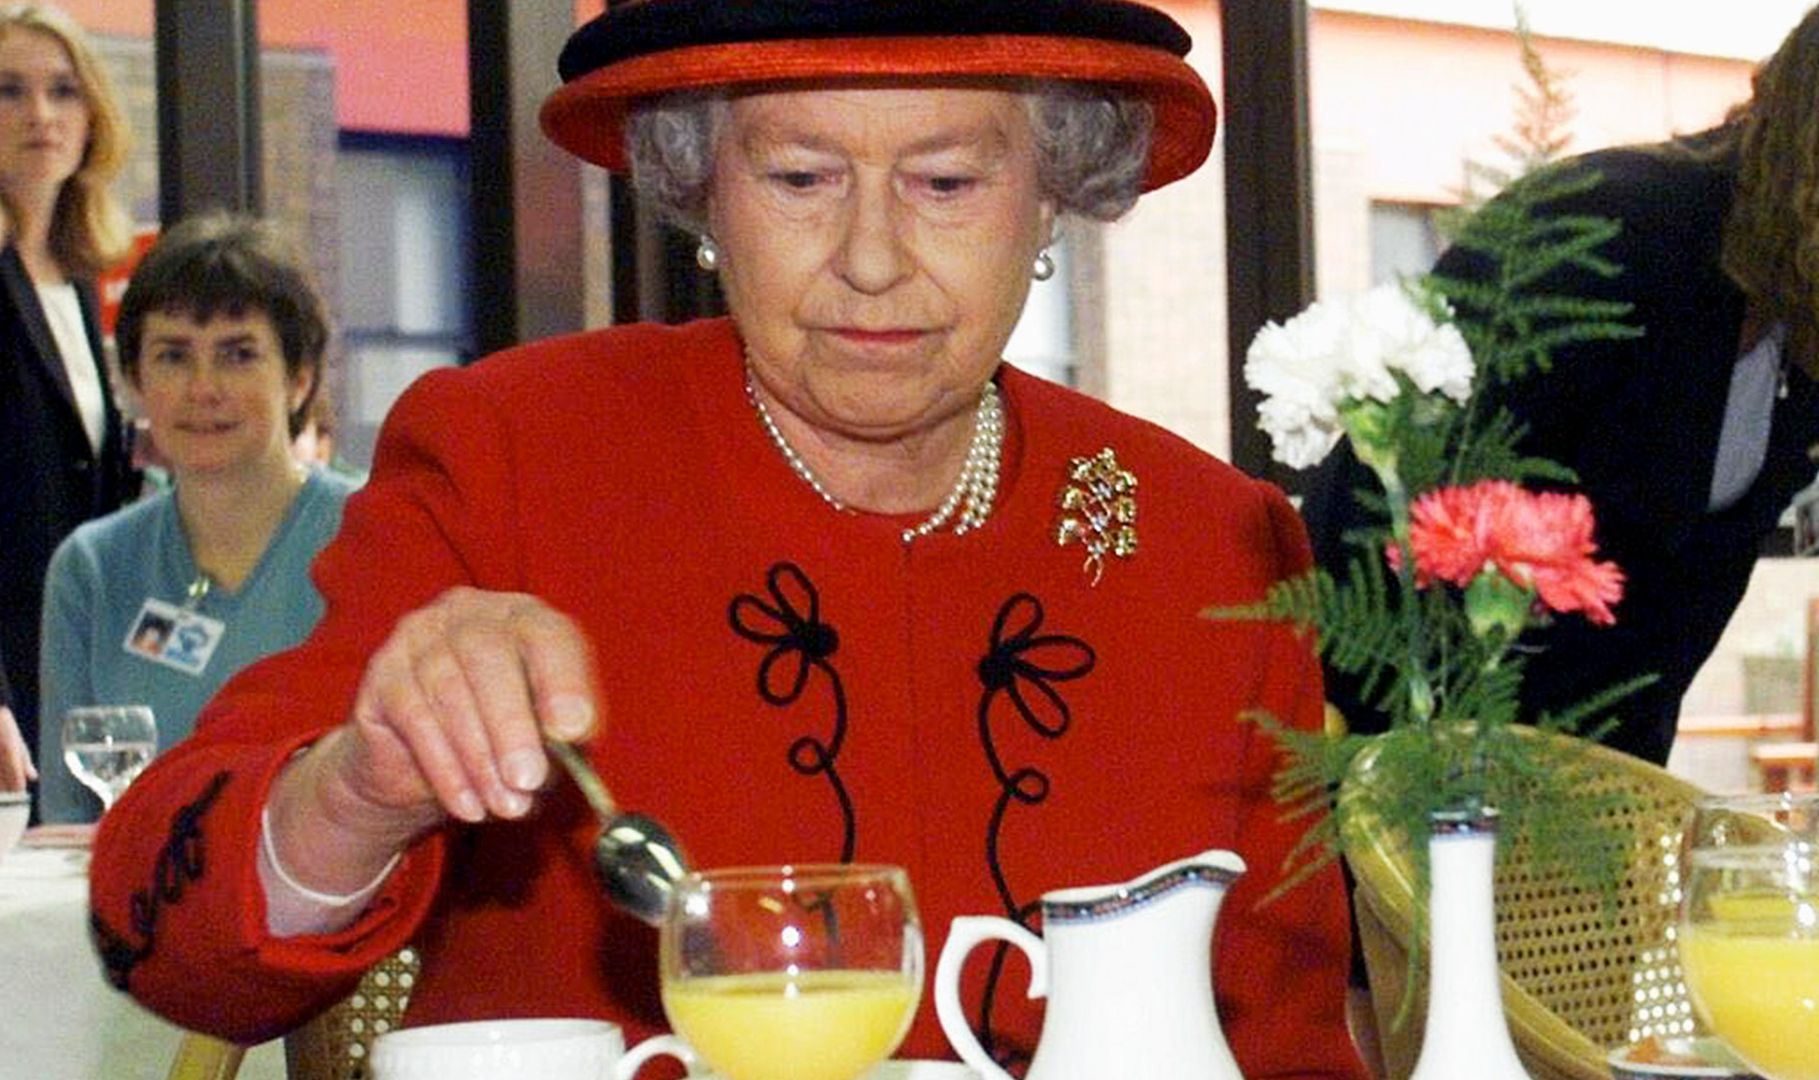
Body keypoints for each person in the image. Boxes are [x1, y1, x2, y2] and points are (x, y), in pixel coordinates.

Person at [87, 3, 1363, 1075]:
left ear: (1051, 204)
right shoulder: (511, 456)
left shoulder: (1210, 547)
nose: (872, 259)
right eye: (800, 177)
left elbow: (1292, 1040)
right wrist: (357, 792)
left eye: (949, 182)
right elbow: (169, 935)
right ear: (701, 194)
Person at [1305, 0, 1819, 768]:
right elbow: (1388, 521)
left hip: (1579, 792)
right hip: (1398, 759)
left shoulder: (1816, 320)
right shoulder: (1604, 230)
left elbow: (1671, 614)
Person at [36, 212, 355, 823]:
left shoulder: (374, 534)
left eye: (238, 355)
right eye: (173, 356)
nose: (203, 388)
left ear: (299, 378)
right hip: (138, 912)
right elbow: (69, 824)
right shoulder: (92, 570)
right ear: (134, 379)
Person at [0, 3, 138, 806]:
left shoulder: (76, 285)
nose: (41, 115)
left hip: (68, 662)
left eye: (63, 91)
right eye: (10, 91)